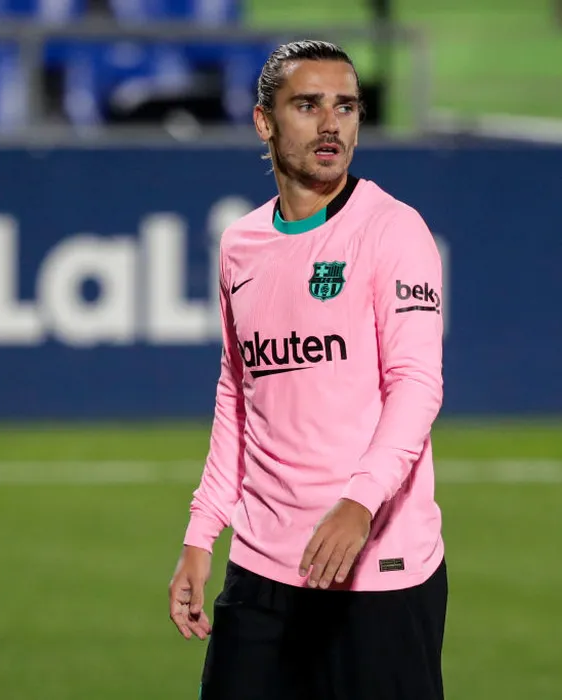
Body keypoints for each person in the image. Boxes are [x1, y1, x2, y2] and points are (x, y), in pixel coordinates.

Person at [167, 40, 448, 700]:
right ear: (263, 122)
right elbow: (238, 393)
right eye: (308, 105)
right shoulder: (240, 245)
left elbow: (415, 384)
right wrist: (201, 532)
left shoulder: (392, 229)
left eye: (346, 107)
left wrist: (359, 503)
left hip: (376, 568)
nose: (331, 124)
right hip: (261, 569)